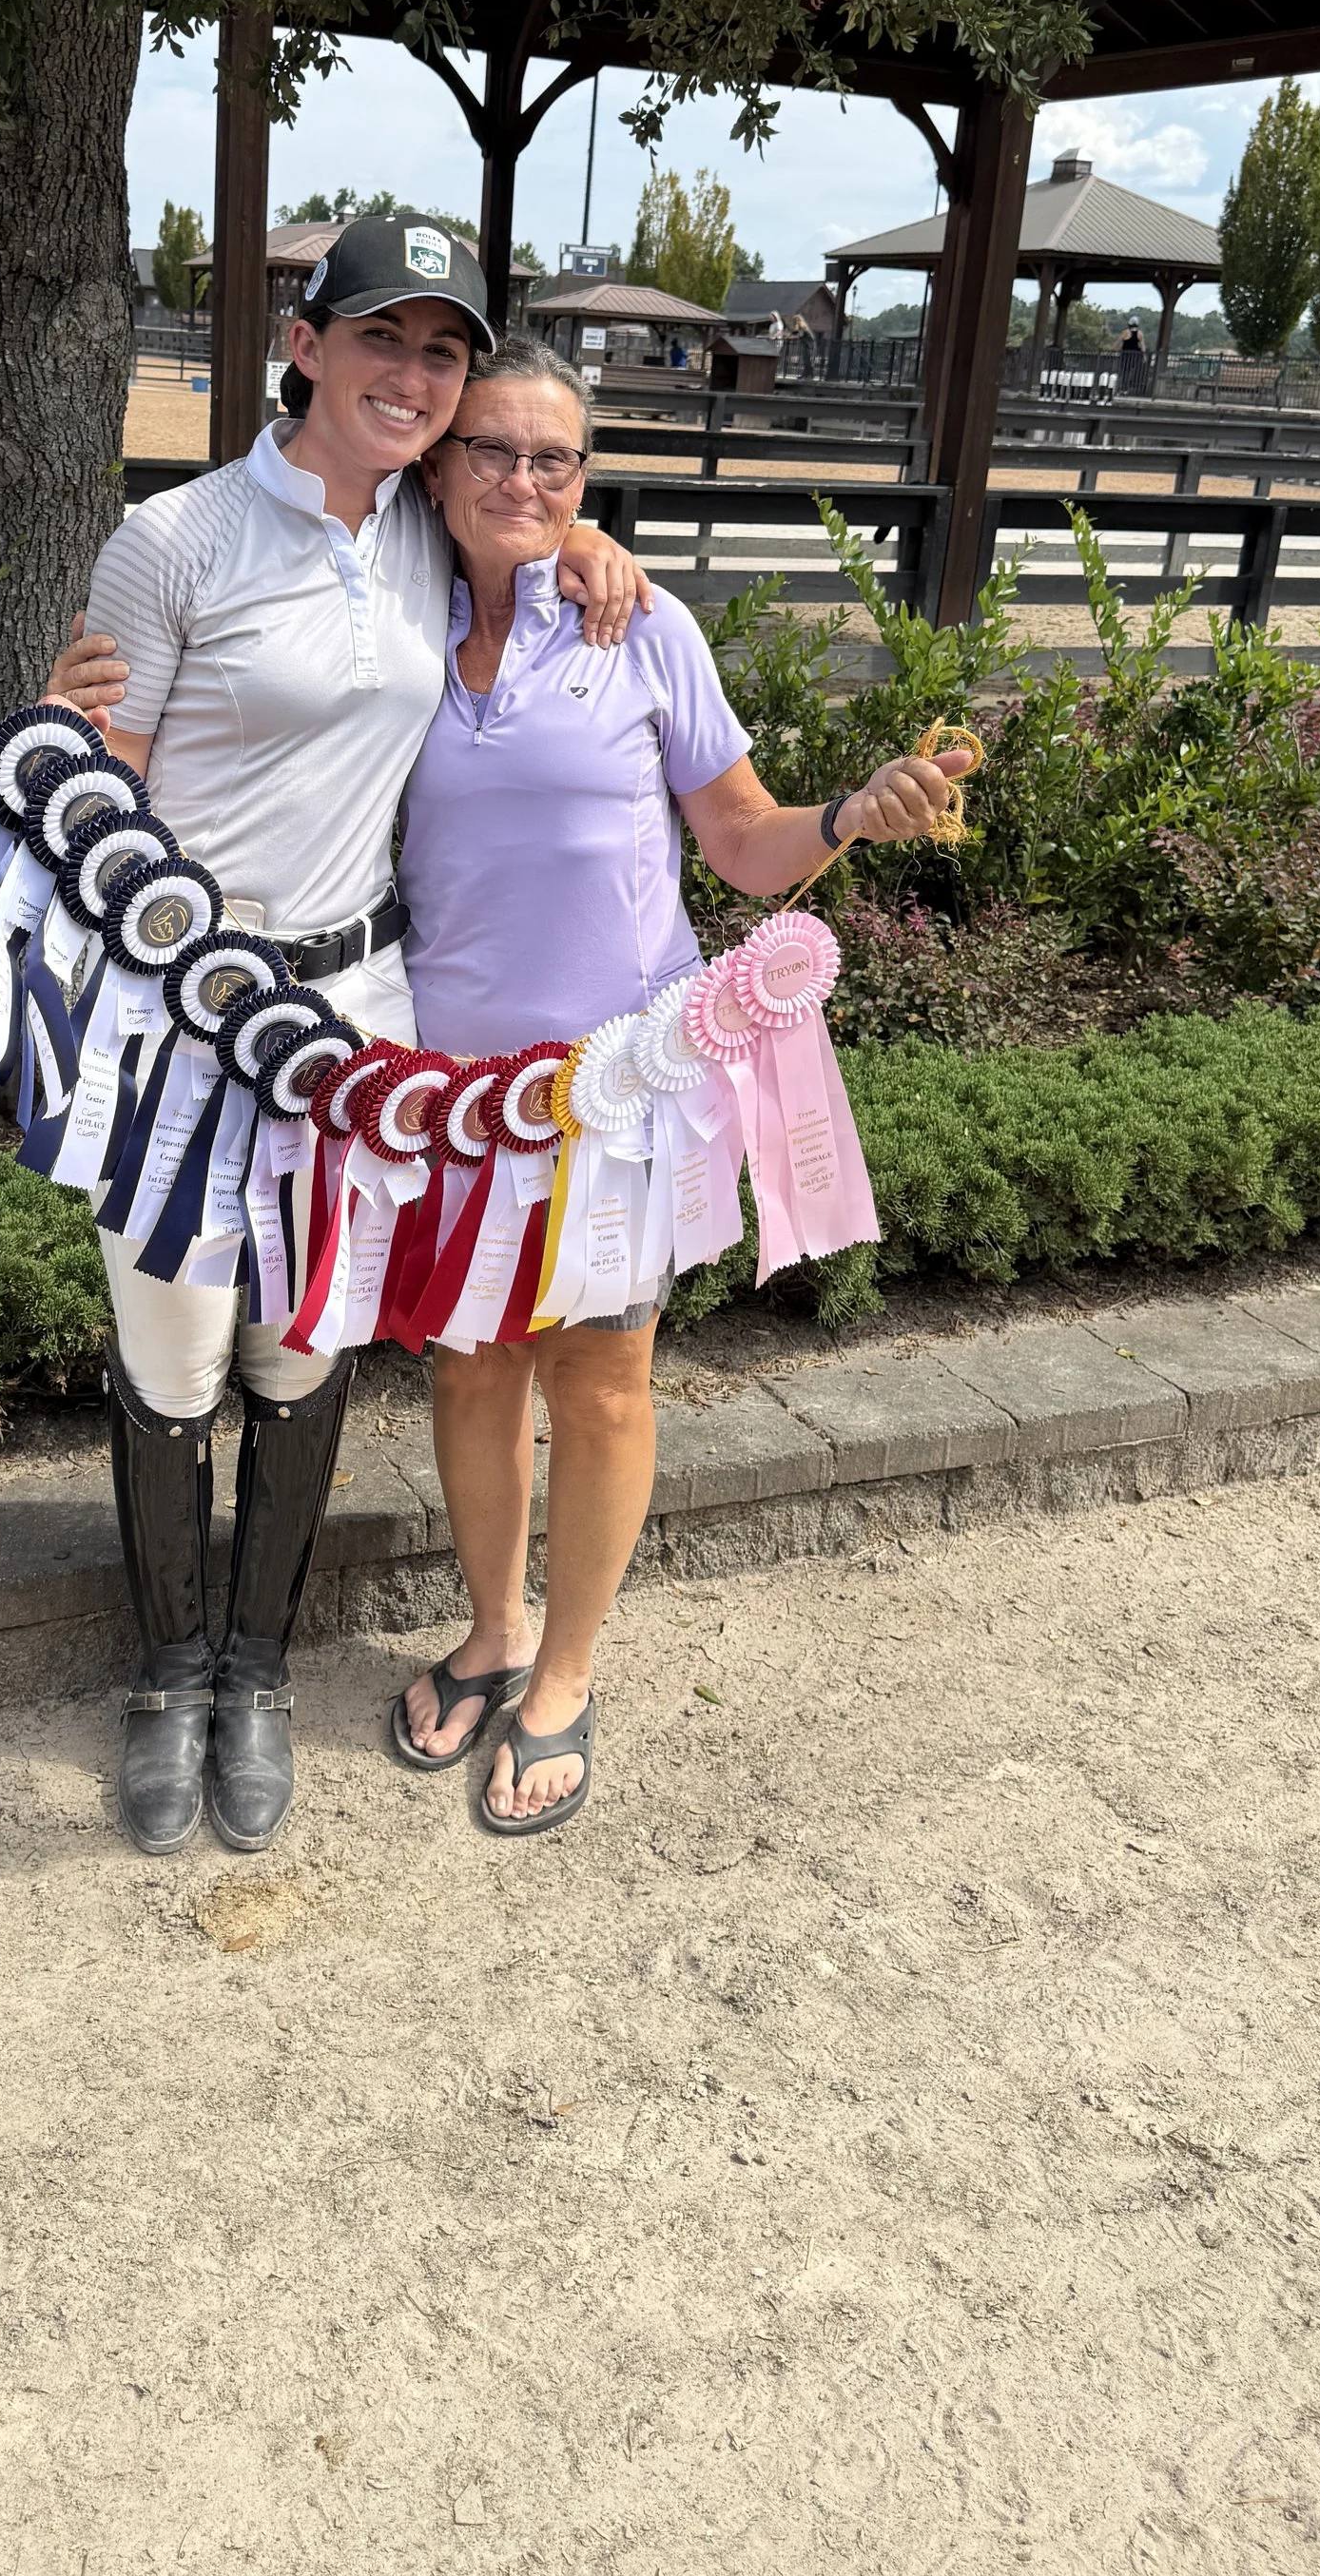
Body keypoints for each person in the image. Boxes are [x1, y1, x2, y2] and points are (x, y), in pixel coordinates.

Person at [49, 222, 653, 1858]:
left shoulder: (419, 536)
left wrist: (591, 545)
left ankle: (258, 1667)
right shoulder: (170, 542)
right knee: (176, 1353)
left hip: (355, 1020)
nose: (413, 375)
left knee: (302, 1344)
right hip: (185, 1019)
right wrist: (52, 735)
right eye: (381, 337)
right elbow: (94, 786)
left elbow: (531, 521)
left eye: (441, 352)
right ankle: (173, 1674)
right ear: (301, 345)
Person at [388, 336, 976, 1832]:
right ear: (440, 465)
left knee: (599, 1378)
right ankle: (492, 1628)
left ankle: (565, 1671)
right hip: (448, 1089)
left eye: (559, 463)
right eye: (497, 451)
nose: (525, 480)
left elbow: (743, 841)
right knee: (471, 1363)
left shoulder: (647, 633)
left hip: (616, 1084)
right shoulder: (384, 606)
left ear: (587, 481)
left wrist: (852, 812)